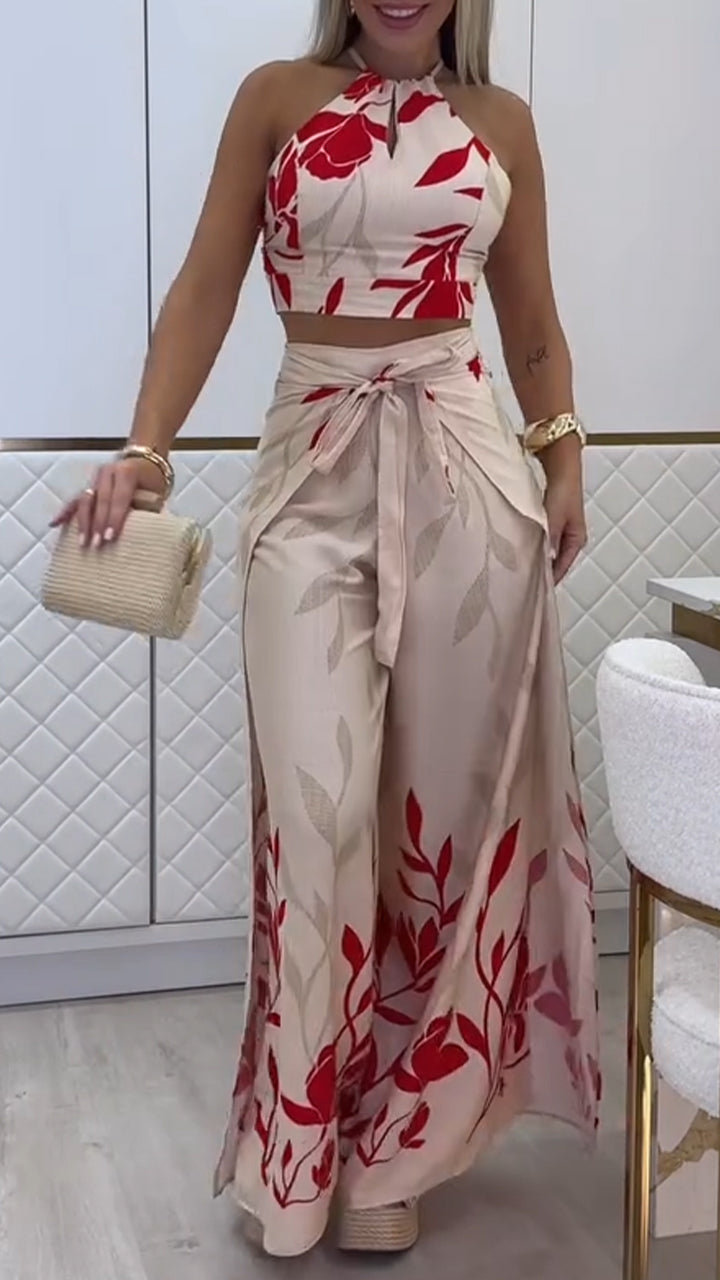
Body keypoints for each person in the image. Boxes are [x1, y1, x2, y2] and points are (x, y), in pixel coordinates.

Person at [52, 0, 600, 1260]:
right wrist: (146, 449)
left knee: (445, 826)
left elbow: (530, 321)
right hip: (311, 473)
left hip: (468, 479)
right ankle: (299, 1151)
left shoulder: (501, 121)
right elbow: (205, 284)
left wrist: (563, 453)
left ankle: (395, 1148)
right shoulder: (277, 98)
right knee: (322, 822)